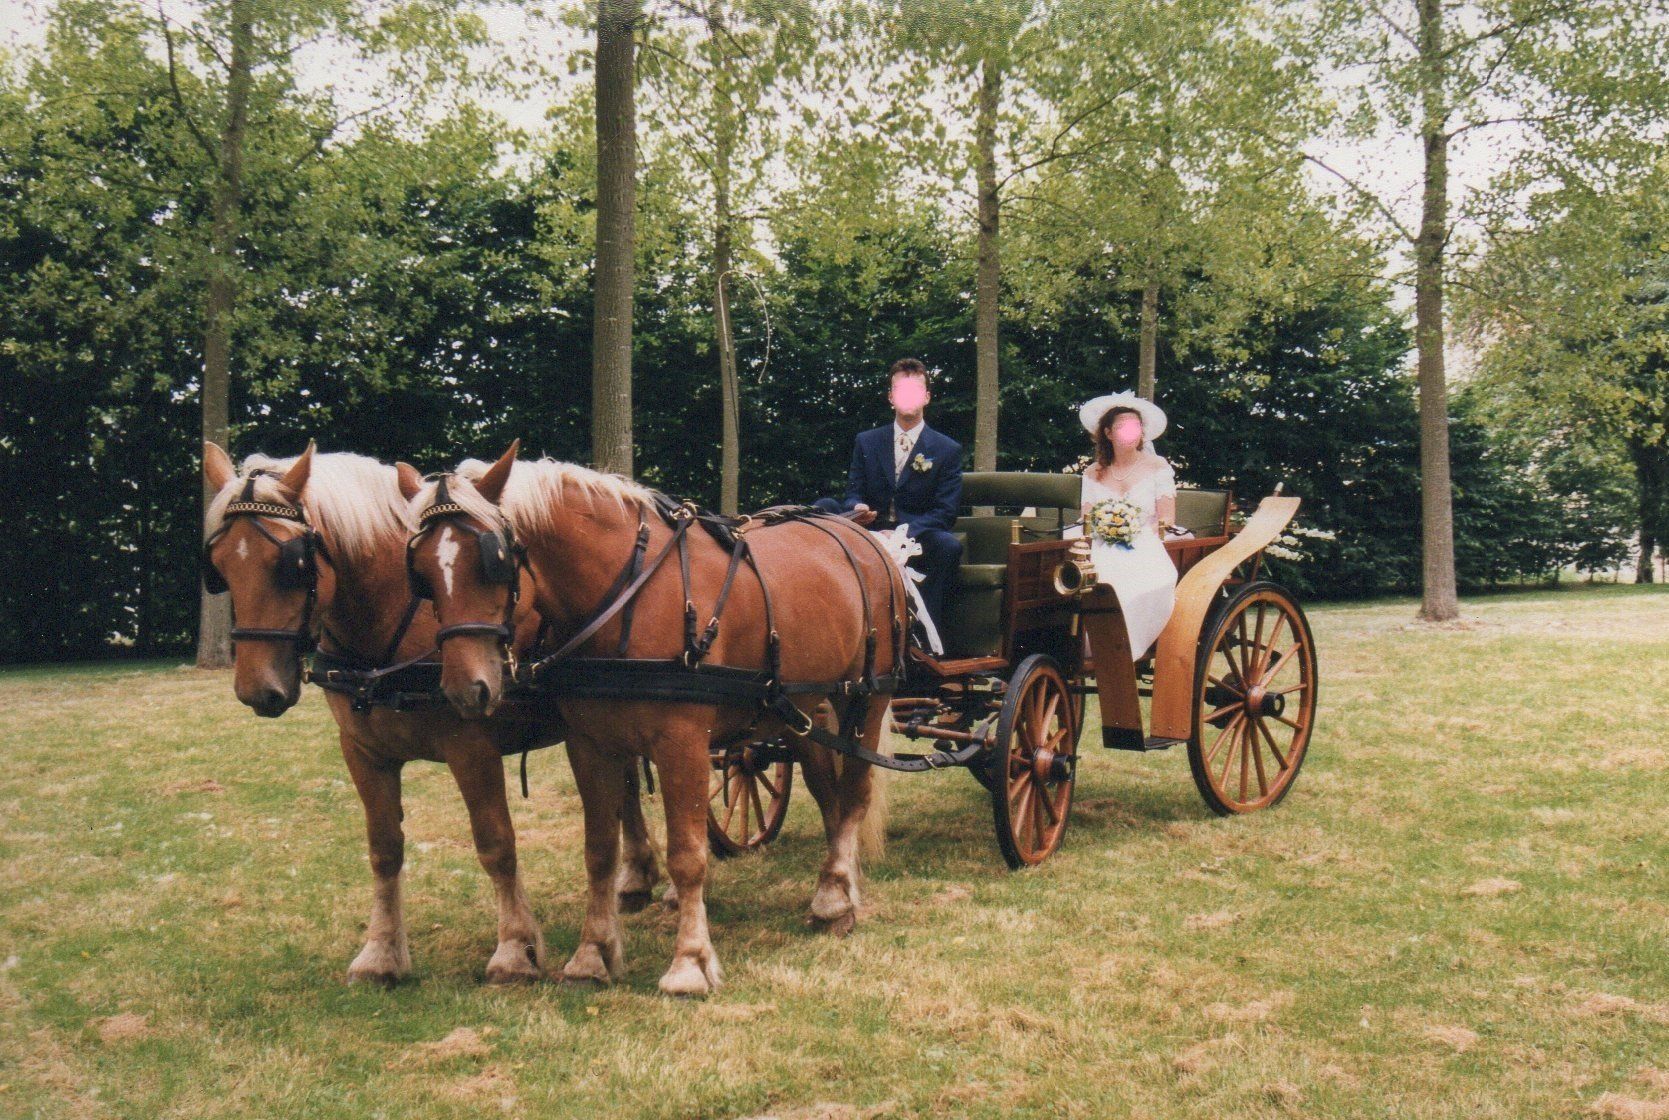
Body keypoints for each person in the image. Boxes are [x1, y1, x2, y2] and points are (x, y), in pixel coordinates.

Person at [814, 359, 963, 632]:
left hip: (917, 535)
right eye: (901, 390)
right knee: (822, 507)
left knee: (949, 547)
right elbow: (853, 491)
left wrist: (899, 535)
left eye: (915, 390)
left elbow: (945, 513)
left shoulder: (947, 449)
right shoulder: (867, 441)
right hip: (870, 528)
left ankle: (924, 633)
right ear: (891, 397)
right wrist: (856, 507)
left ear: (926, 397)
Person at [1067, 391, 1178, 660]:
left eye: (1135, 427)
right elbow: (1087, 518)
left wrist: (1129, 533)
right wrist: (1107, 530)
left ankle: (1121, 642)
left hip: (1146, 537)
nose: (1130, 433)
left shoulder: (1156, 466)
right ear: (1108, 433)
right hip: (1101, 537)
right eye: (1122, 427)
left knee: (1125, 565)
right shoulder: (1093, 472)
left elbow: (1167, 519)